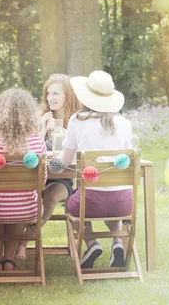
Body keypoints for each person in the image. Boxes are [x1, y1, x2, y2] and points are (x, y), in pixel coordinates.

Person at [60, 70, 133, 269]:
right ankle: (118, 243)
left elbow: (65, 161)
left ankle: (91, 243)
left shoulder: (77, 120)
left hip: (89, 203)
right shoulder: (124, 123)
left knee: (69, 204)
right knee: (112, 198)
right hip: (124, 204)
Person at [0, 88, 47, 272]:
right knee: (19, 205)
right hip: (28, 209)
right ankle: (9, 261)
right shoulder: (37, 143)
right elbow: (43, 182)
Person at [28, 74, 82, 256]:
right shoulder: (39, 117)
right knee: (19, 196)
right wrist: (42, 130)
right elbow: (27, 150)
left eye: (56, 94)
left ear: (68, 95)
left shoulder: (75, 120)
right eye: (48, 94)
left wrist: (60, 131)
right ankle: (10, 241)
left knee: (50, 195)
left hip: (62, 179)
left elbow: (77, 151)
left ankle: (24, 241)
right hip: (33, 179)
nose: (51, 98)